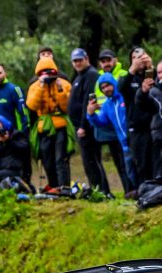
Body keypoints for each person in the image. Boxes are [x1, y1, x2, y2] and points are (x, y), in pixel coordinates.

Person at [26, 56, 73, 189]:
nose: (48, 76)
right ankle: (53, 186)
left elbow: (67, 107)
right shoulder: (35, 86)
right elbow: (32, 106)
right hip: (44, 127)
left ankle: (64, 187)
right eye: (44, 73)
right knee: (47, 160)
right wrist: (41, 86)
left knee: (61, 158)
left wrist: (59, 90)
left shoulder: (63, 84)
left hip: (60, 125)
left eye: (50, 72)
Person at [86, 72, 134, 196]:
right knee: (130, 172)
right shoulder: (107, 104)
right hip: (124, 144)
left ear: (114, 84)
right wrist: (91, 114)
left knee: (141, 169)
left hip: (135, 140)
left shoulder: (125, 97)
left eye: (108, 85)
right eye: (103, 87)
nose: (106, 89)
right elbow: (101, 123)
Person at [67, 49, 106, 193]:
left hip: (87, 127)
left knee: (92, 161)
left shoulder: (90, 75)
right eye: (74, 61)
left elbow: (87, 102)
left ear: (86, 58)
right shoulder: (79, 76)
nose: (77, 63)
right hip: (79, 126)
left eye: (79, 60)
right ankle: (98, 189)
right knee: (88, 162)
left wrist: (83, 125)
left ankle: (101, 191)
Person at [121, 48, 157, 189]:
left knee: (155, 161)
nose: (139, 59)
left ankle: (158, 190)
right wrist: (132, 69)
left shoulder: (152, 75)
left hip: (153, 125)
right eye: (135, 57)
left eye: (142, 56)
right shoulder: (129, 78)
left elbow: (161, 87)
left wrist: (151, 68)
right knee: (140, 163)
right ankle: (144, 190)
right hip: (136, 127)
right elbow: (121, 89)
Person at [0, 116, 32, 191]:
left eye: (0, 128)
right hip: (2, 170)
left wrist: (7, 140)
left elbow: (25, 149)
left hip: (16, 170)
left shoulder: (17, 135)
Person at [0, 64, 29, 133]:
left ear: (5, 74)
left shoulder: (14, 89)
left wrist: (24, 133)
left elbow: (24, 113)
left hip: (14, 134)